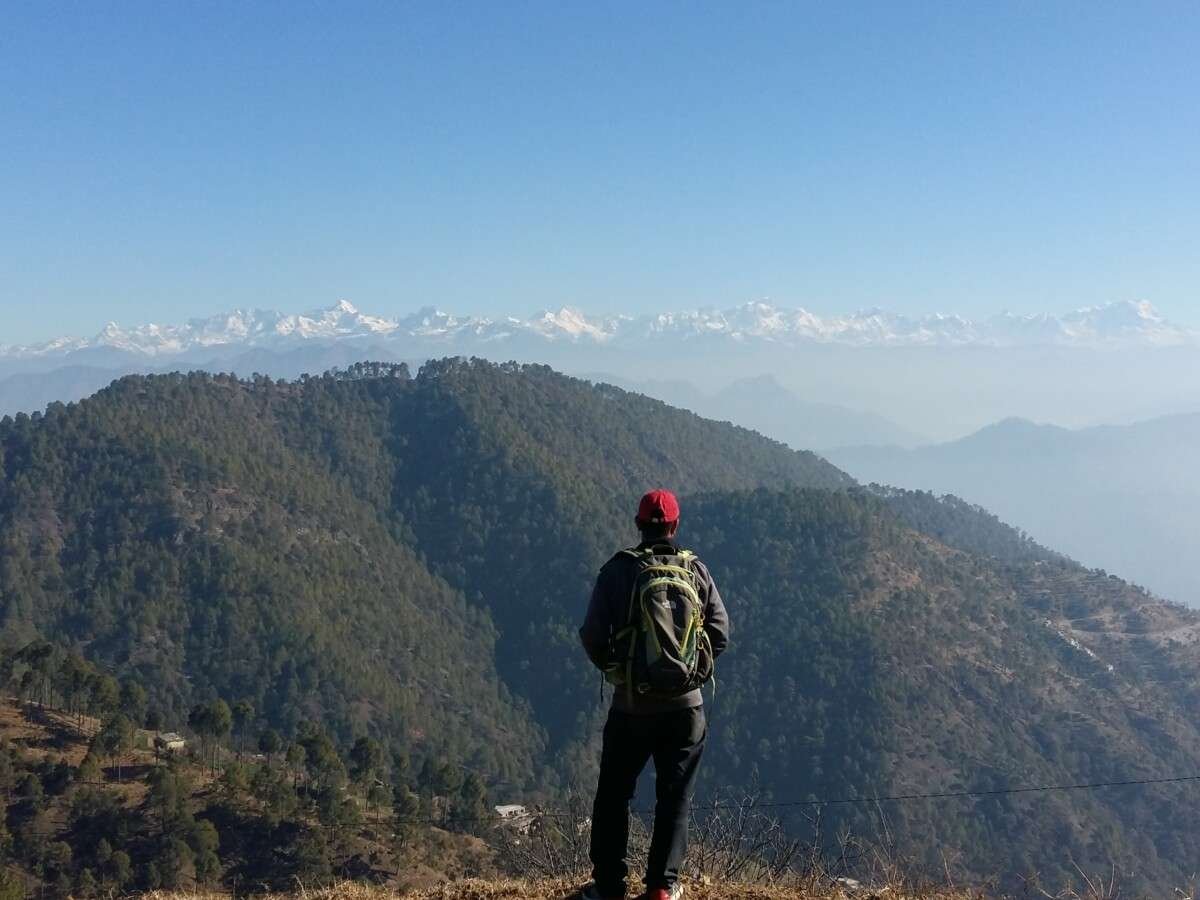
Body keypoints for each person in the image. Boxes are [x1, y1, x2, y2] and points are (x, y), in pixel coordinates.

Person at [577, 489, 731, 900]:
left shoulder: (618, 571)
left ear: (639, 524)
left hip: (631, 708)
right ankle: (662, 887)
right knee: (674, 797)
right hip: (686, 710)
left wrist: (621, 672)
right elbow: (720, 633)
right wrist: (690, 674)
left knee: (614, 795)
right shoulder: (696, 570)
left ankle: (609, 887)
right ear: (675, 526)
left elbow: (592, 636)